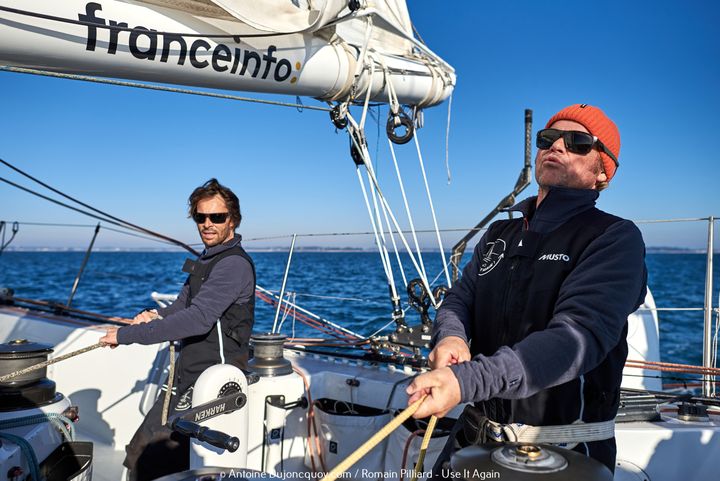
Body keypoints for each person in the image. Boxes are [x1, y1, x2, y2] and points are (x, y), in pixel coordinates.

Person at [406, 104, 647, 473]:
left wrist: (467, 381)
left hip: (566, 453)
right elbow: (460, 298)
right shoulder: (500, 233)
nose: (557, 146)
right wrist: (451, 338)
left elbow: (575, 339)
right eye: (548, 139)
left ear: (603, 171)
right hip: (472, 439)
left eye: (578, 142)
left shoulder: (614, 238)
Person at [100, 178, 256, 481]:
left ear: (233, 220)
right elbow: (182, 307)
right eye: (201, 217)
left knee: (155, 457)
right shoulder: (207, 259)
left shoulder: (233, 265)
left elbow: (197, 319)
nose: (207, 224)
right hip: (188, 373)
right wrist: (154, 315)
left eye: (217, 217)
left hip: (211, 378)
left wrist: (126, 336)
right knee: (141, 449)